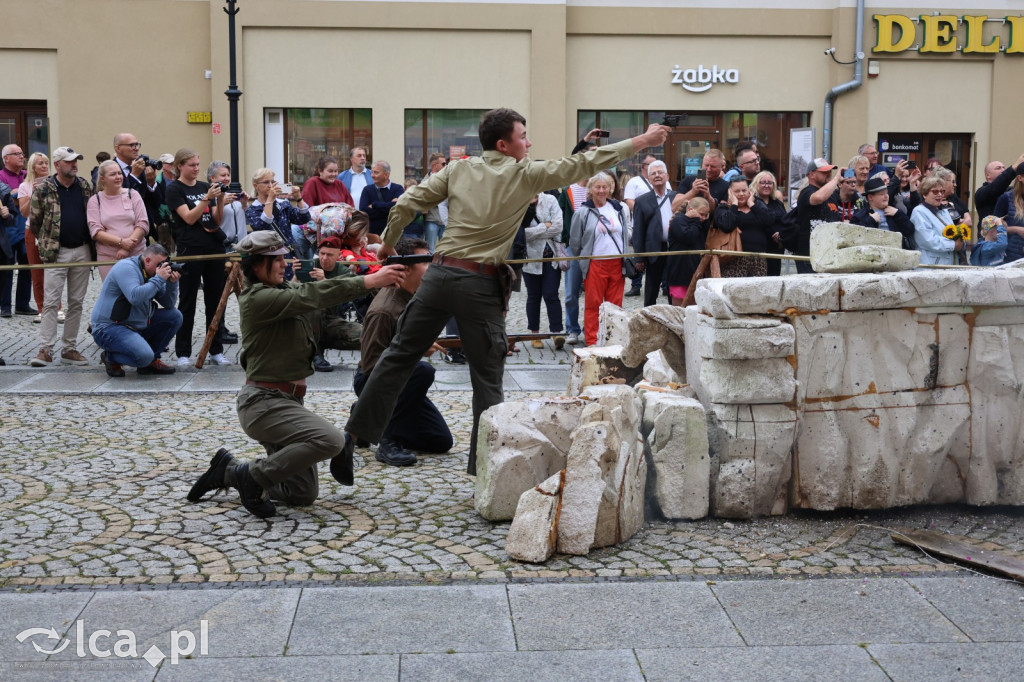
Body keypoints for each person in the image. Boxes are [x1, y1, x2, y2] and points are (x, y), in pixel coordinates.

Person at [344, 108, 669, 476]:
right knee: (486, 376)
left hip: (438, 276)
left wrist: (386, 246)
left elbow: (406, 203)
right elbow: (585, 163)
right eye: (523, 136)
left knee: (397, 356)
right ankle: (484, 468)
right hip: (478, 284)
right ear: (504, 144)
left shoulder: (458, 169)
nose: (528, 142)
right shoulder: (525, 173)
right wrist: (643, 141)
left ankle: (353, 434)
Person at [186, 231, 406, 518]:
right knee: (331, 441)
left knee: (301, 494)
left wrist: (392, 336)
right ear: (255, 265)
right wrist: (370, 280)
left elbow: (325, 311)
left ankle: (229, 473)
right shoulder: (258, 298)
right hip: (263, 405)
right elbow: (312, 294)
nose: (283, 264)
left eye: (283, 258)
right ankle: (251, 477)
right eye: (275, 260)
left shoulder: (283, 291)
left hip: (289, 404)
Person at [355, 237, 453, 466]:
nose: (432, 268)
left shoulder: (418, 296)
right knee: (423, 372)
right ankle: (388, 440)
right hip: (373, 384)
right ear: (405, 268)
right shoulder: (384, 310)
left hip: (400, 384)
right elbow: (371, 366)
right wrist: (417, 351)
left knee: (440, 441)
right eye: (426, 262)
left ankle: (364, 419)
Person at [164, 148, 230, 367]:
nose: (196, 168)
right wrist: (206, 198)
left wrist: (219, 200)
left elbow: (216, 221)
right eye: (191, 165)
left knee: (216, 300)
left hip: (213, 248)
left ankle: (216, 349)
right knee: (188, 301)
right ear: (180, 166)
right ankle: (183, 352)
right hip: (189, 250)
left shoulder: (204, 186)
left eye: (197, 164)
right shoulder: (175, 189)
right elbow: (190, 218)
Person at [29, 147, 93, 367]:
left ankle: (70, 348)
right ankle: (45, 349)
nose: (74, 164)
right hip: (57, 251)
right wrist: (49, 243)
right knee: (50, 302)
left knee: (76, 302)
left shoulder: (84, 185)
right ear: (57, 164)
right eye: (69, 161)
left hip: (83, 249)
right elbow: (35, 221)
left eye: (76, 160)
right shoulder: (45, 188)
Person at [91, 244, 183, 377]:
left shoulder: (152, 272)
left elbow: (168, 304)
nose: (162, 268)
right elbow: (135, 296)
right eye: (159, 264)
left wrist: (172, 284)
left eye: (165, 263)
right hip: (109, 327)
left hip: (134, 324)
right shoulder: (126, 268)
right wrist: (158, 279)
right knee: (144, 356)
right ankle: (111, 357)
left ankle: (152, 360)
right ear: (147, 260)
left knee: (174, 316)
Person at [306, 235, 364, 373]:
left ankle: (320, 343)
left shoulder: (343, 272)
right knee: (314, 306)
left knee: (366, 336)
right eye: (322, 254)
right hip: (305, 322)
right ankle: (314, 353)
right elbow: (290, 293)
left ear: (339, 255)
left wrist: (324, 282)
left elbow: (343, 295)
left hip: (329, 321)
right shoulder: (309, 267)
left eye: (329, 255)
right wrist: (296, 277)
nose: (324, 258)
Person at [87, 160, 149, 280]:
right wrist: (121, 242)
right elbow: (96, 232)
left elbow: (142, 224)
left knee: (138, 292)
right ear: (102, 178)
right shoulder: (95, 200)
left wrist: (126, 247)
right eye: (113, 174)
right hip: (108, 257)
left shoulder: (133, 194)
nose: (118, 177)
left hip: (137, 254)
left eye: (119, 173)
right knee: (114, 295)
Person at [245, 167, 310, 275]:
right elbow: (263, 226)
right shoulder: (253, 209)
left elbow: (303, 218)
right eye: (266, 182)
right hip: (268, 257)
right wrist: (270, 199)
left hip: (288, 255)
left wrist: (298, 198)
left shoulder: (283, 203)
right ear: (256, 186)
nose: (270, 185)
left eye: (273, 181)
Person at [631, 160, 677, 306]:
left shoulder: (676, 197)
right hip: (653, 249)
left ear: (667, 176)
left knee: (673, 287)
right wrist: (639, 257)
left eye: (660, 172)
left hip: (674, 248)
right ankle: (648, 317)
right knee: (651, 288)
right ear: (649, 179)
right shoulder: (641, 201)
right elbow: (638, 230)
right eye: (653, 174)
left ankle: (674, 315)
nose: (657, 176)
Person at [522, 192, 565, 348]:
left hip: (550, 256)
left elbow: (558, 226)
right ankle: (535, 334)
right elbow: (520, 233)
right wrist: (545, 226)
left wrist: (536, 231)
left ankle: (556, 333)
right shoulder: (519, 200)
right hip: (530, 258)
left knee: (551, 294)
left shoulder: (550, 200)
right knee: (533, 297)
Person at [713, 177, 775, 278]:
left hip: (758, 258)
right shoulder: (724, 207)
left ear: (749, 191)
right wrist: (734, 205)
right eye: (737, 191)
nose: (741, 194)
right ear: (730, 192)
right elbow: (727, 225)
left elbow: (769, 221)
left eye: (744, 190)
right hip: (733, 258)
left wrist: (751, 204)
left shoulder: (758, 204)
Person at [791, 158, 843, 273]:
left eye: (829, 171)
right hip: (809, 254)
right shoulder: (806, 192)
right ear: (812, 174)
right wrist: (836, 179)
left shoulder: (831, 195)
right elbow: (818, 198)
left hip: (828, 252)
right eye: (824, 172)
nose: (828, 174)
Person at [0, 143, 33, 318]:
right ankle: (4, 305)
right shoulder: (0, 177)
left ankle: (23, 304)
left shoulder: (28, 175)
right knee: (6, 268)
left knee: (27, 266)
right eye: (17, 154)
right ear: (6, 158)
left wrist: (17, 195)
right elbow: (8, 201)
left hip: (26, 227)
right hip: (8, 230)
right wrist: (20, 195)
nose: (22, 156)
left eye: (22, 153)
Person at [17, 153, 51, 321]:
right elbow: (24, 212)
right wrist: (35, 192)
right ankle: (41, 308)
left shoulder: (55, 184)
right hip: (33, 231)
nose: (44, 166)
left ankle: (56, 307)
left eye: (46, 163)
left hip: (52, 231)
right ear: (32, 167)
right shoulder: (25, 186)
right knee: (37, 272)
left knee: (54, 272)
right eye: (40, 163)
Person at [850, 176, 916, 250]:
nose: (886, 196)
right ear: (870, 197)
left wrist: (898, 214)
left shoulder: (894, 212)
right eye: (881, 194)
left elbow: (910, 231)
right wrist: (870, 220)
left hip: (895, 254)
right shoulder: (860, 215)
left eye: (886, 193)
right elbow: (853, 235)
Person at [911, 176, 965, 265]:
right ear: (924, 194)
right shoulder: (919, 211)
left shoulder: (944, 211)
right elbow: (928, 240)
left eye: (942, 191)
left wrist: (961, 240)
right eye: (935, 191)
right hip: (930, 266)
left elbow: (952, 234)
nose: (939, 194)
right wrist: (953, 245)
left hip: (947, 264)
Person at [664, 197, 709, 304]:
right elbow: (689, 237)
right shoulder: (678, 221)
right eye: (701, 214)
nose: (702, 218)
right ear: (691, 210)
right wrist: (695, 220)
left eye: (705, 215)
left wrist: (698, 220)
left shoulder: (700, 224)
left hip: (694, 271)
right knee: (679, 311)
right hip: (679, 273)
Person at [751, 171, 787, 276]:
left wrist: (781, 233)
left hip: (776, 248)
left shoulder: (778, 203)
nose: (766, 185)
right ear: (756, 184)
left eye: (769, 183)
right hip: (759, 247)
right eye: (763, 182)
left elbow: (785, 221)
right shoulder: (752, 202)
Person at [359, 160, 404, 236]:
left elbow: (399, 209)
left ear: (386, 175)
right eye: (372, 172)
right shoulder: (367, 190)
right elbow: (364, 212)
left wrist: (374, 204)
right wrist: (389, 208)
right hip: (372, 235)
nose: (372, 175)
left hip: (393, 235)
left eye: (376, 172)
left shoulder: (398, 189)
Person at [975, 154, 1024, 220]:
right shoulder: (981, 192)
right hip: (991, 229)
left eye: (1004, 167)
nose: (1003, 170)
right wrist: (1014, 167)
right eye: (998, 168)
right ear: (987, 175)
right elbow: (996, 188)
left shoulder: (1010, 190)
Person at [421, 153, 449, 252]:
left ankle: (446, 268)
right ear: (434, 165)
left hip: (446, 220)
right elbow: (423, 198)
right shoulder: (426, 181)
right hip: (432, 219)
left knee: (447, 250)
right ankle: (430, 267)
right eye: (443, 164)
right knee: (430, 249)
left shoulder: (447, 179)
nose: (446, 166)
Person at [994, 176, 1024, 264]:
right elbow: (992, 228)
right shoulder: (1006, 198)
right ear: (1020, 178)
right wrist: (1016, 229)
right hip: (1010, 255)